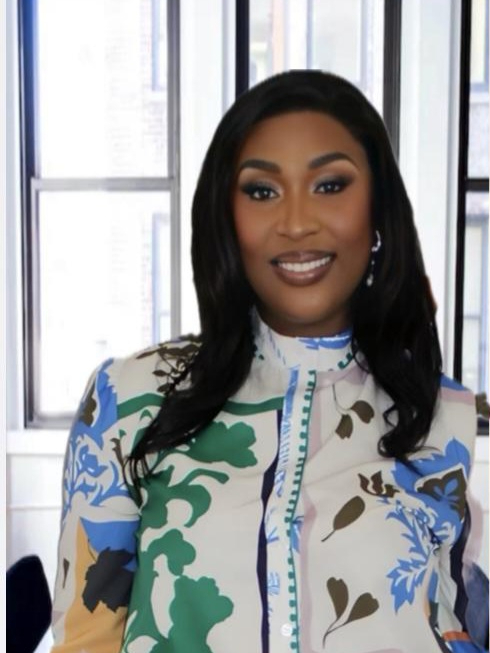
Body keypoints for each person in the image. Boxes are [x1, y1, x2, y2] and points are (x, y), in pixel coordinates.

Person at [50, 70, 486, 653]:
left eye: (330, 185)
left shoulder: (440, 412)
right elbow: (84, 640)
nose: (297, 222)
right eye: (262, 191)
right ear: (226, 218)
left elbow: (452, 624)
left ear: (378, 212)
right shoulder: (129, 398)